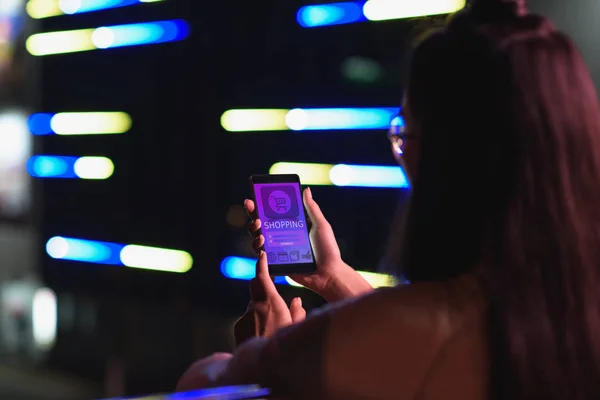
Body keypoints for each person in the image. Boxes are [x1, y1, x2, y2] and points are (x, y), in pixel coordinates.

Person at [177, 0, 600, 398]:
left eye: (405, 135)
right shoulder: (571, 318)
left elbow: (200, 383)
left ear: (443, 160)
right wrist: (335, 277)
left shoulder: (389, 337)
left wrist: (270, 352)